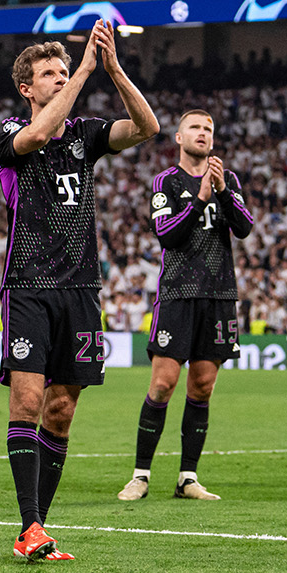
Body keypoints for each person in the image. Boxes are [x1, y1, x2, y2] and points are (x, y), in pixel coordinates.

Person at [0, 20, 157, 560]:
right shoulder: (8, 133)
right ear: (27, 87)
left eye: (65, 70)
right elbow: (38, 135)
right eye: (50, 74)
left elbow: (148, 127)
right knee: (28, 400)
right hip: (30, 286)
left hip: (83, 290)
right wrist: (86, 68)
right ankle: (30, 525)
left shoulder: (86, 134)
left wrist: (113, 68)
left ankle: (35, 530)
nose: (61, 78)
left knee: (61, 410)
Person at [120, 108, 251, 503]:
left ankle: (187, 478)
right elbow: (167, 235)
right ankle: (140, 475)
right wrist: (200, 199)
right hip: (177, 293)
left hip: (219, 295)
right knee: (162, 384)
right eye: (195, 127)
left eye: (208, 128)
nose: (203, 133)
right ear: (178, 138)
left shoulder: (228, 181)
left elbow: (243, 228)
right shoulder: (166, 182)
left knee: (203, 386)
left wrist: (223, 191)